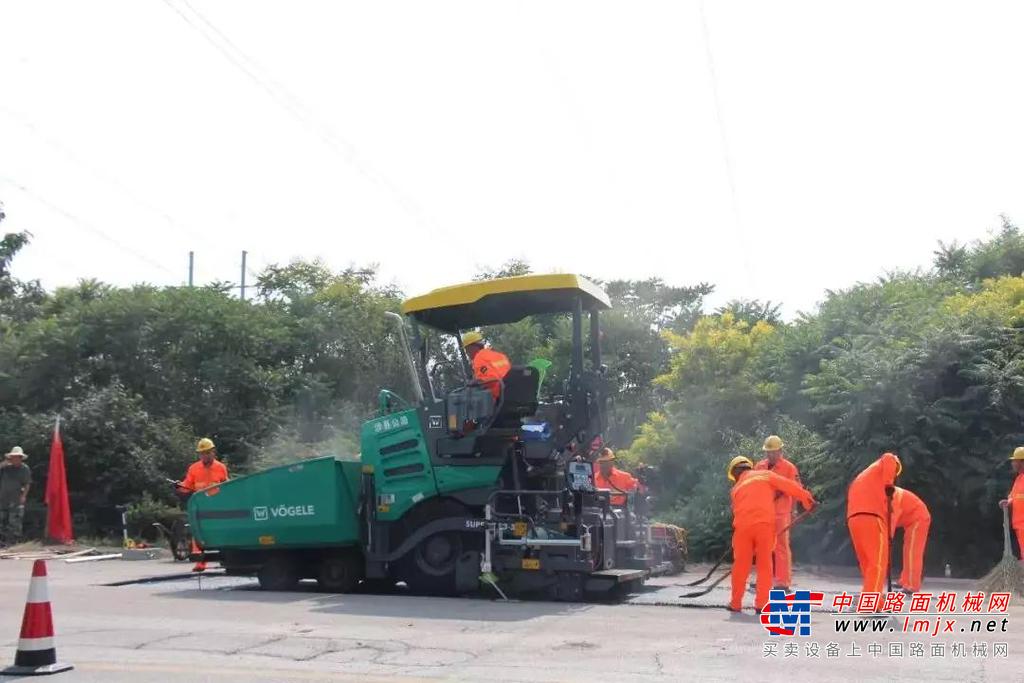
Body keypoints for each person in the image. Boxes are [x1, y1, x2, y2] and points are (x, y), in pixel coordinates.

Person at [726, 455, 816, 613]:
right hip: (765, 526)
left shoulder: (736, 489)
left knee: (740, 566)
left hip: (742, 529)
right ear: (750, 467)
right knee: (764, 565)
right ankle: (761, 605)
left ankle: (735, 604)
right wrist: (807, 500)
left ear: (735, 474)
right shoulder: (765, 474)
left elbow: (737, 511)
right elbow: (791, 486)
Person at [846, 452, 902, 595]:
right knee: (877, 563)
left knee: (869, 565)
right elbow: (889, 459)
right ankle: (870, 603)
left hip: (854, 519)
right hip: (871, 517)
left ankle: (876, 600)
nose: (894, 476)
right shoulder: (888, 460)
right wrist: (890, 485)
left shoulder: (864, 478)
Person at [754, 435, 803, 590]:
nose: (771, 455)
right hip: (763, 513)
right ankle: (764, 579)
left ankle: (782, 582)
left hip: (781, 513)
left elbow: (797, 490)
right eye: (768, 452)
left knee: (781, 547)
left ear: (780, 451)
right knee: (763, 547)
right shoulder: (759, 467)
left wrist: (794, 509)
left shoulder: (789, 468)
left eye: (774, 452)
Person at [178, 438, 229, 572]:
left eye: (207, 452)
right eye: (202, 453)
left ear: (213, 452)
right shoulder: (194, 468)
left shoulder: (220, 467)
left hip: (217, 505)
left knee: (221, 532)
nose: (204, 456)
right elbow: (187, 485)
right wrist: (179, 486)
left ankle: (226, 559)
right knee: (199, 533)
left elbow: (226, 486)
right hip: (200, 507)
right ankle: (200, 561)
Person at [889, 487, 931, 593]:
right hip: (911, 520)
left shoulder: (892, 496)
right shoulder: (884, 494)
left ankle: (912, 586)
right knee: (907, 551)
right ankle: (904, 581)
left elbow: (891, 520)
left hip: (919, 518)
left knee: (913, 552)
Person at [462, 331, 511, 401]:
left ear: (472, 347)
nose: (467, 352)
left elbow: (491, 380)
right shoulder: (500, 355)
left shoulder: (479, 358)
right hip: (511, 394)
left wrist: (475, 382)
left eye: (466, 349)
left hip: (498, 398)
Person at [0, 446, 32, 547]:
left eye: (17, 457)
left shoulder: (24, 469)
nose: (15, 459)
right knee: (2, 520)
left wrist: (24, 496)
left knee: (15, 522)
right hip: (3, 498)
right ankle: (3, 542)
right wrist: (4, 463)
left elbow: (27, 484)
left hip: (16, 498)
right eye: (13, 457)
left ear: (21, 458)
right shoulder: (6, 468)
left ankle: (14, 542)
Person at [998, 446, 1024, 564]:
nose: (1012, 463)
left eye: (1015, 461)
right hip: (1019, 525)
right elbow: (1013, 496)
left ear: (1022, 462)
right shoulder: (1019, 479)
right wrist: (1007, 502)